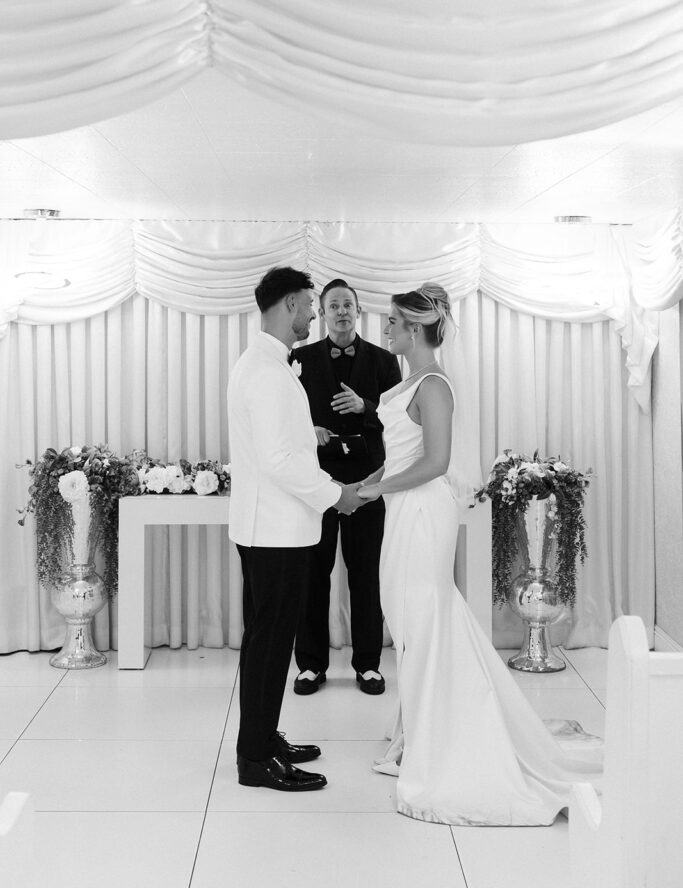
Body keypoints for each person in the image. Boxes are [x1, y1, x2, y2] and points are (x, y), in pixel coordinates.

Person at [357, 283, 602, 825]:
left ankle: (437, 743)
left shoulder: (435, 385)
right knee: (411, 619)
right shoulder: (409, 381)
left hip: (423, 512)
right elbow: (403, 453)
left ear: (416, 328)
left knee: (422, 614)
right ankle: (418, 731)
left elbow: (437, 461)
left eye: (393, 323)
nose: (387, 331)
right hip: (404, 508)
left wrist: (380, 489)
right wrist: (366, 484)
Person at [227, 266, 365, 793]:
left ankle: (261, 738)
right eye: (309, 304)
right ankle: (256, 759)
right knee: (268, 643)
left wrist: (308, 433)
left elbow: (278, 439)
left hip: (271, 528)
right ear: (288, 305)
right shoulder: (265, 370)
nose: (314, 312)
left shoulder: (264, 363)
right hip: (275, 532)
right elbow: (279, 460)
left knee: (267, 640)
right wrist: (337, 495)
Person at [291, 279, 401, 696]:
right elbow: (284, 418)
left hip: (368, 482)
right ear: (322, 311)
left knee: (366, 575)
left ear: (358, 311)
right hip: (316, 483)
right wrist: (309, 429)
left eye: (347, 305)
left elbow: (401, 418)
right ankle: (311, 665)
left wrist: (366, 408)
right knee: (312, 576)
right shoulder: (297, 358)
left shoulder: (384, 360)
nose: (341, 311)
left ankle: (369, 664)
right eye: (333, 305)